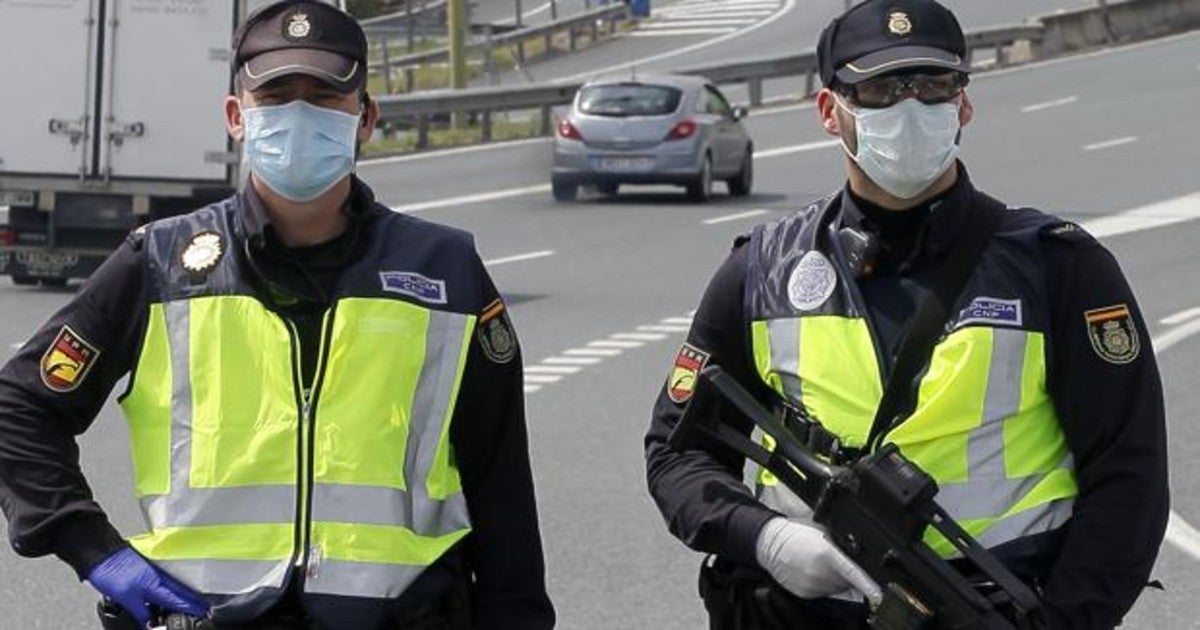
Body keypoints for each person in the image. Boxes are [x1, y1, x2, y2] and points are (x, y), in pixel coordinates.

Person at [0, 2, 555, 628]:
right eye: (276, 96)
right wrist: (92, 549)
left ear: (365, 117)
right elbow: (18, 408)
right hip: (206, 618)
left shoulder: (444, 270)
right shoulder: (161, 265)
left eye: (323, 96)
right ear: (237, 117)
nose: (299, 115)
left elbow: (499, 477)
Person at [644, 0, 1169, 628]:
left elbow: (1129, 477)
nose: (910, 107)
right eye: (879, 89)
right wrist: (765, 539)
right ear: (829, 111)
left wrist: (1065, 621)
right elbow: (676, 453)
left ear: (964, 104)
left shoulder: (1060, 270)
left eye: (932, 85)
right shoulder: (761, 272)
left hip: (992, 606)